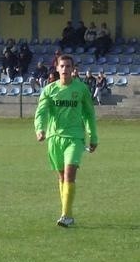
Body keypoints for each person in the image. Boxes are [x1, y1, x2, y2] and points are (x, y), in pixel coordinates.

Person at [34, 54, 98, 228]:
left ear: (73, 69)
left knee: (70, 174)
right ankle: (66, 212)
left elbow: (89, 114)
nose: (65, 69)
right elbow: (41, 112)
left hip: (75, 138)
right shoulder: (49, 90)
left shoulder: (82, 89)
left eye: (68, 66)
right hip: (54, 138)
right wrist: (40, 129)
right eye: (62, 66)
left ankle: (66, 216)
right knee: (62, 177)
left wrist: (93, 136)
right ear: (57, 68)